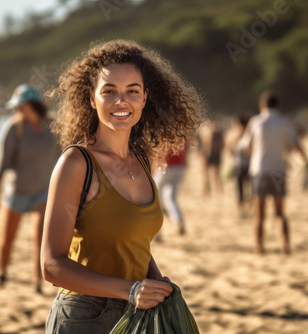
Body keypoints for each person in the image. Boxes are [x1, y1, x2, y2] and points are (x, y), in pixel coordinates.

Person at [41, 39, 204, 333]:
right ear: (92, 98)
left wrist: (155, 279)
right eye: (109, 92)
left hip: (136, 316)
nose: (121, 101)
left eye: (132, 91)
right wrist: (129, 290)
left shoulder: (142, 160)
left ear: (145, 98)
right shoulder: (77, 163)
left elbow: (131, 241)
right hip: (84, 317)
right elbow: (52, 265)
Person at [0, 84, 61, 293]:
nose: (17, 110)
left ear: (32, 105)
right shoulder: (14, 128)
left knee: (39, 238)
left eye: (20, 106)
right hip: (17, 192)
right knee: (7, 239)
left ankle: (37, 281)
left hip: (43, 191)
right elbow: (0, 166)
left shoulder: (52, 126)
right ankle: (2, 273)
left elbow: (63, 157)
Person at [240, 90, 307, 255]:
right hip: (278, 170)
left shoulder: (255, 122)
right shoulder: (284, 122)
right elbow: (297, 145)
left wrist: (256, 154)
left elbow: (246, 146)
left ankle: (259, 247)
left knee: (260, 215)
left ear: (262, 105)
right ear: (278, 105)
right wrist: (307, 162)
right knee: (279, 213)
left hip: (259, 170)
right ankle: (285, 246)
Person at [153, 146, 188, 236]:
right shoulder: (183, 133)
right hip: (180, 167)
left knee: (155, 199)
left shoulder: (162, 133)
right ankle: (177, 221)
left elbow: (158, 150)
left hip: (165, 167)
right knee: (170, 197)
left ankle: (156, 230)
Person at [226, 113, 252, 217]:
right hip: (250, 165)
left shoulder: (234, 135)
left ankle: (241, 209)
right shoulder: (251, 134)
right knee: (250, 188)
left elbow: (230, 150)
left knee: (240, 189)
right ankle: (248, 206)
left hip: (239, 165)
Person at [197, 121, 224, 196]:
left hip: (207, 154)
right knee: (216, 174)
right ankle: (218, 191)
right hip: (214, 153)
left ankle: (206, 192)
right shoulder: (217, 132)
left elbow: (200, 146)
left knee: (205, 175)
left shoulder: (203, 132)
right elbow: (222, 144)